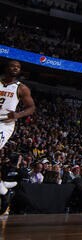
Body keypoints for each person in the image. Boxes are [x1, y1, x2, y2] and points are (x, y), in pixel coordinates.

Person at [0, 60, 36, 196]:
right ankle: (3, 189)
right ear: (6, 67)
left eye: (18, 67)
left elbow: (31, 107)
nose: (15, 68)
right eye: (12, 66)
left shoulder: (21, 88)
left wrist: (17, 114)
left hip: (4, 123)